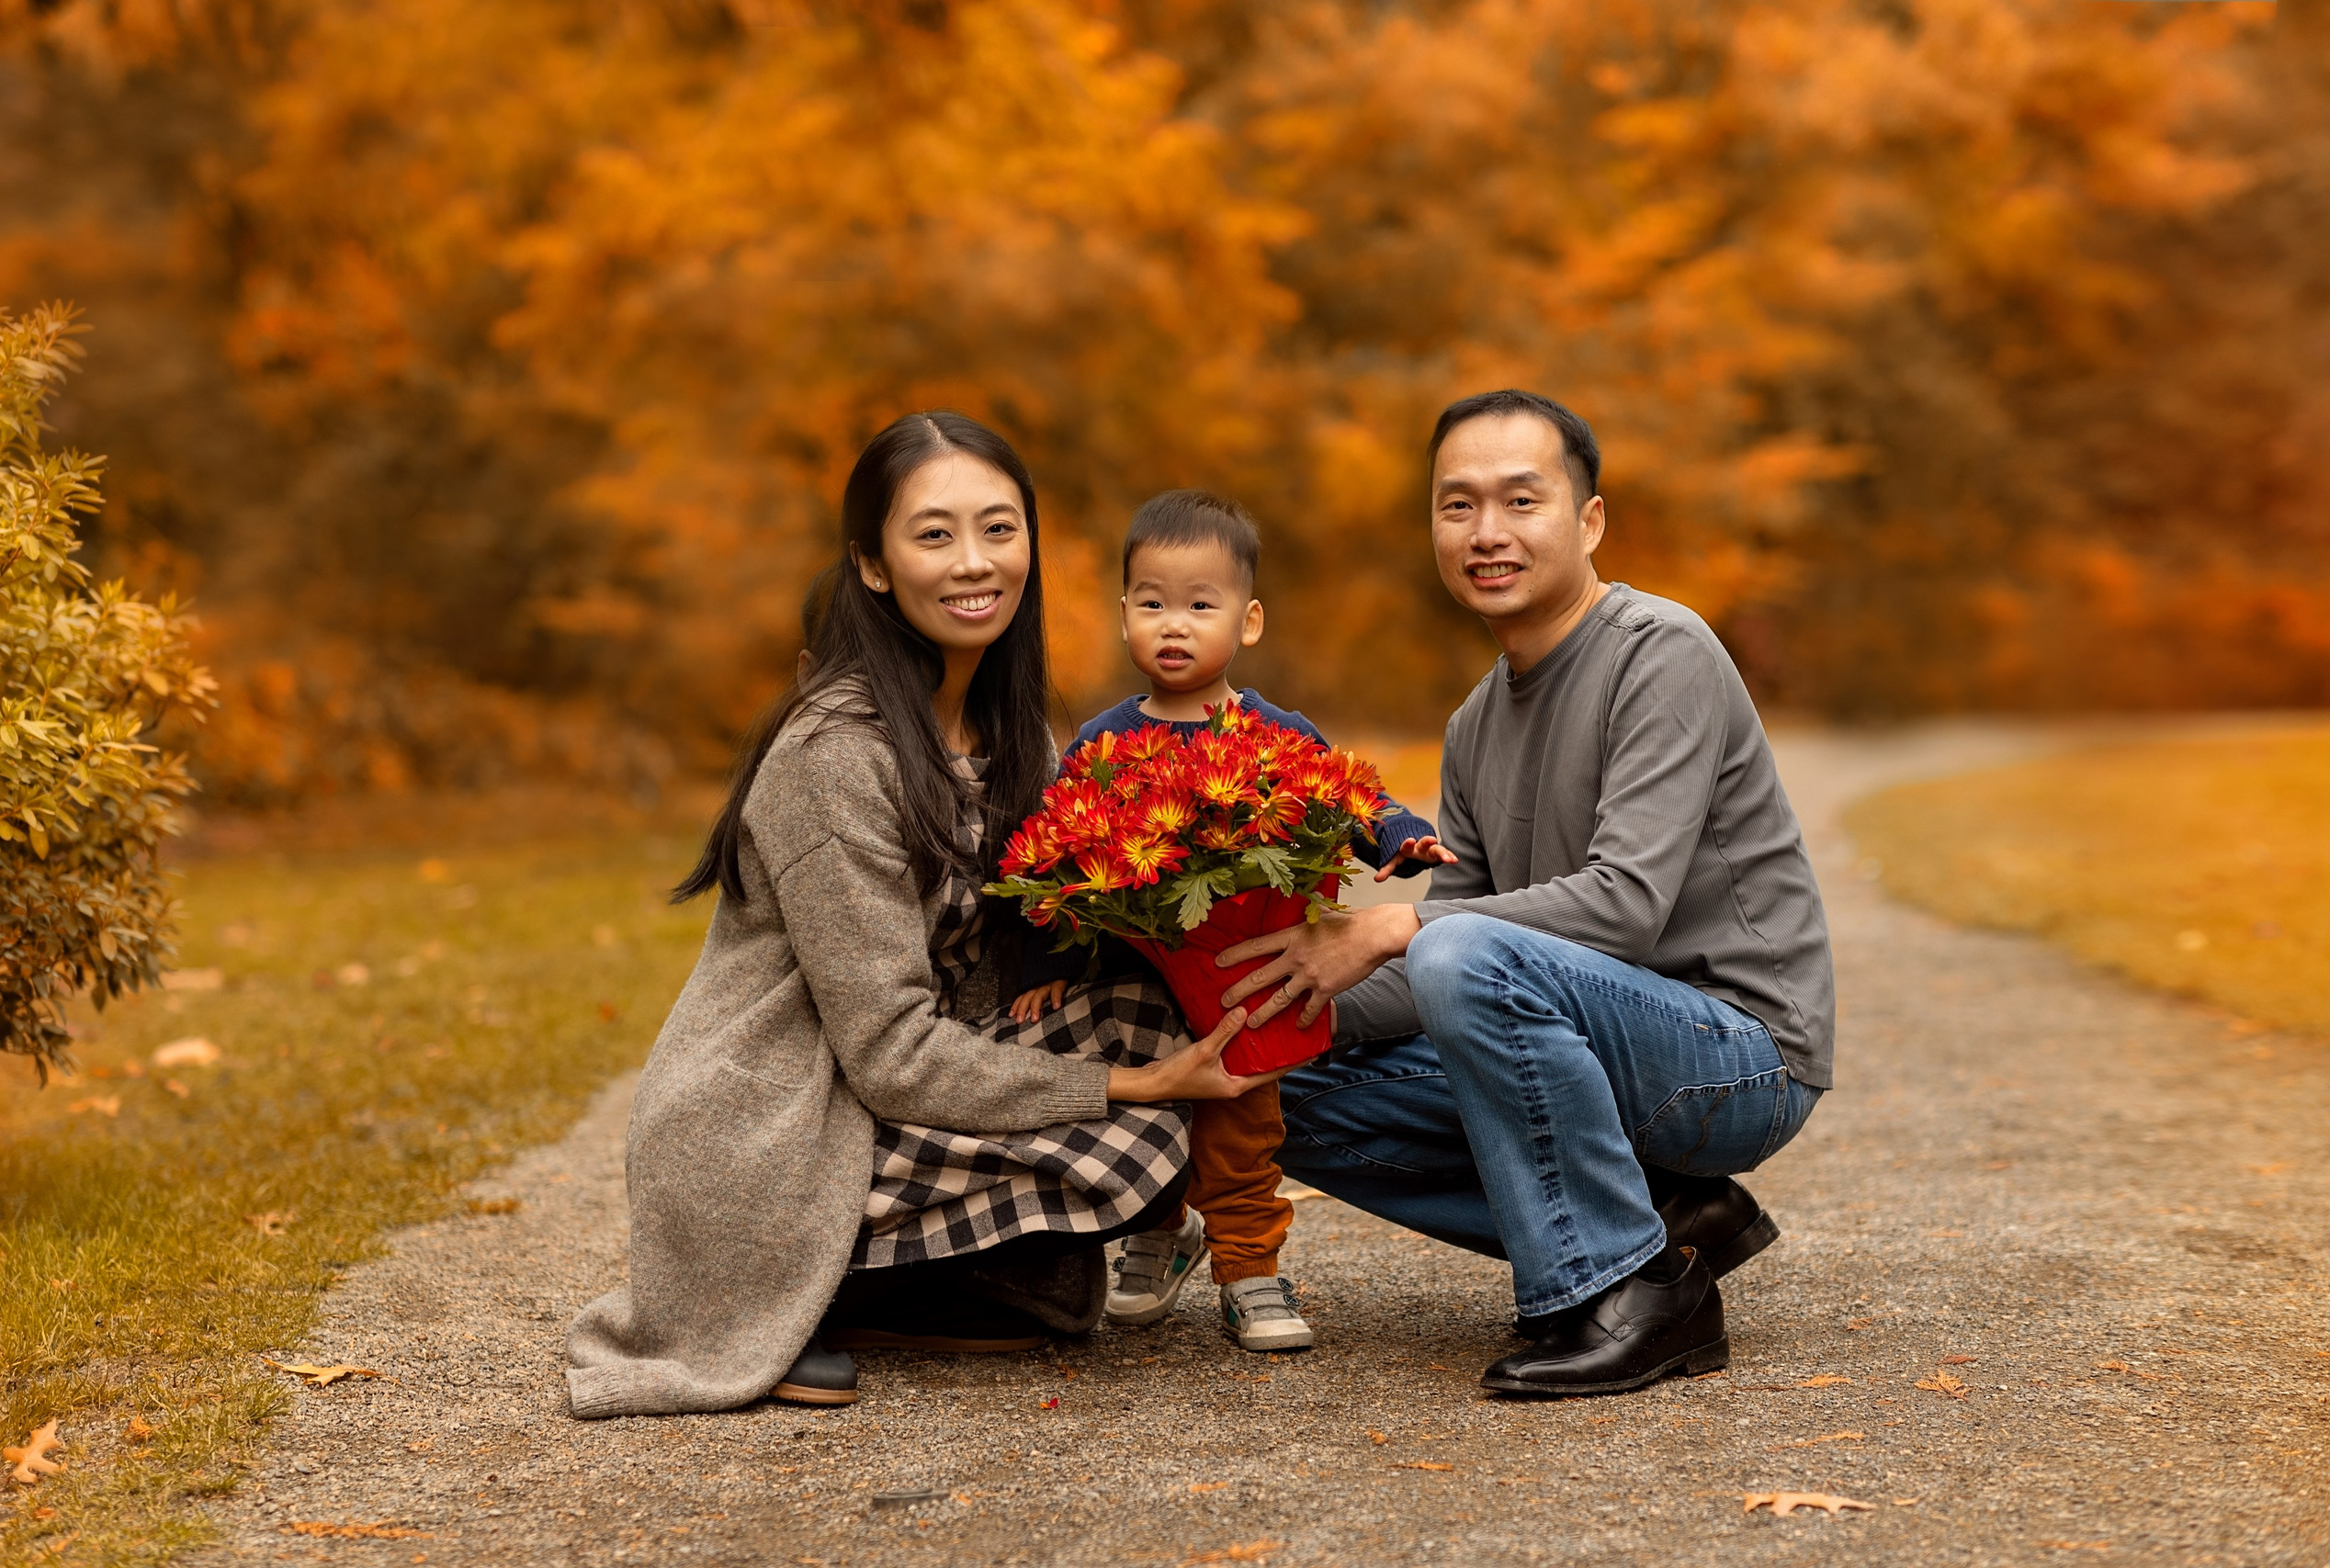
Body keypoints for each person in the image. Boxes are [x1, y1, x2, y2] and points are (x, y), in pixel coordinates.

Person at [565, 413, 1269, 1418]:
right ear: (875, 566)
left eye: (999, 528)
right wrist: (1126, 1082)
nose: (975, 563)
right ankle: (790, 1287)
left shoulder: (1011, 726)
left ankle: (909, 1282)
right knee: (1139, 1125)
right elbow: (889, 1051)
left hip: (893, 1079)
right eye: (933, 535)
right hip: (775, 1119)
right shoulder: (834, 755)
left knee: (1163, 1025)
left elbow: (1048, 941)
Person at [1216, 389, 1834, 1397]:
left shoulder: (1659, 651)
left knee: (1452, 946)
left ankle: (1633, 1291)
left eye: (1519, 501)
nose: (1486, 533)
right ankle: (1664, 1217)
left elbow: (1618, 907)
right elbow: (1450, 975)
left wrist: (1385, 926)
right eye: (1457, 507)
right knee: (1276, 1072)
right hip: (1591, 1048)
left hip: (1735, 1058)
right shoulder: (1473, 726)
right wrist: (1261, 997)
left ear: (1587, 520)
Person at [1005, 491, 1454, 1352]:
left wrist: (1403, 838)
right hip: (1136, 989)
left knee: (1244, 1126)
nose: (1174, 625)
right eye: (1152, 603)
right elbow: (1048, 860)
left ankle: (1250, 1268)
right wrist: (1043, 964)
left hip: (1241, 978)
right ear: (1123, 614)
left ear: (1246, 622)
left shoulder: (1271, 732)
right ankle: (1159, 1230)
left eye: (1199, 605)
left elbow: (1347, 795)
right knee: (1151, 1117)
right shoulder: (1099, 746)